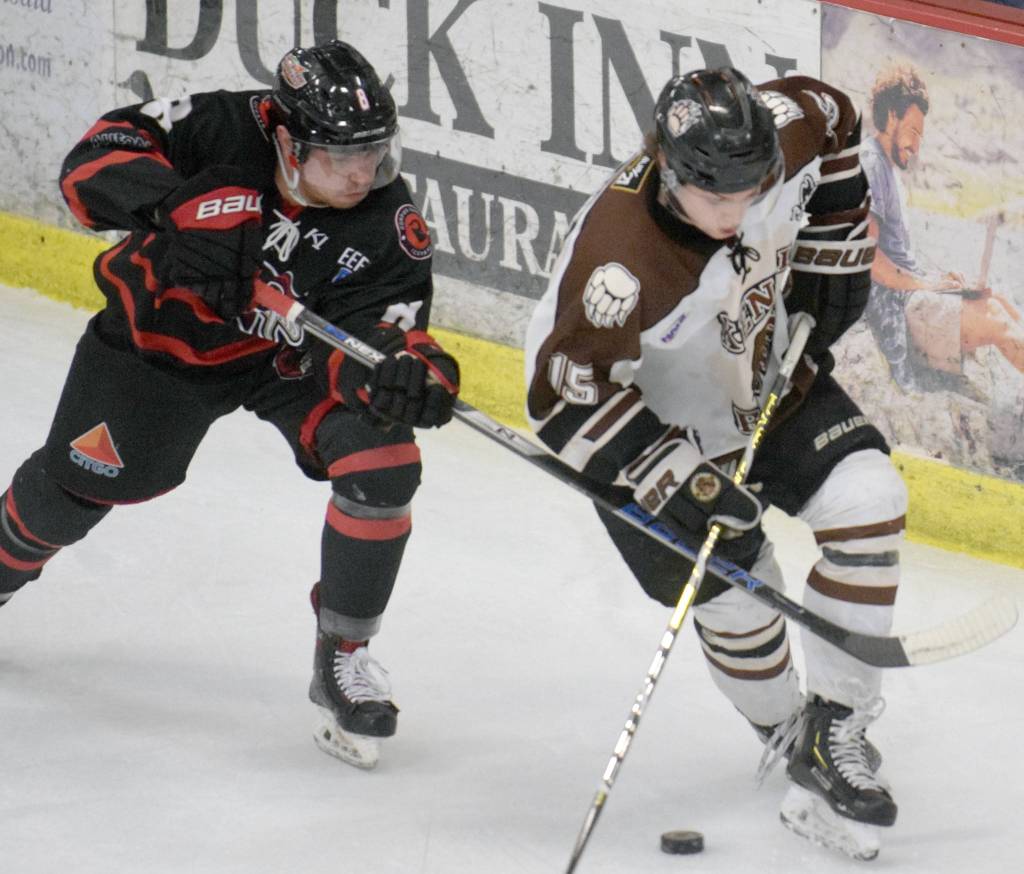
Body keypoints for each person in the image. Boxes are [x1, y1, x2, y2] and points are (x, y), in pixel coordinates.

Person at [0, 40, 460, 770]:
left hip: (285, 360)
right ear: (284, 138)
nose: (362, 174)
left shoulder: (389, 223)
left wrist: (401, 372)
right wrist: (176, 204)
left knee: (384, 457)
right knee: (74, 494)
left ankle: (342, 657)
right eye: (341, 157)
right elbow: (89, 165)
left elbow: (386, 333)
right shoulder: (219, 126)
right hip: (161, 348)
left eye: (374, 154)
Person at [525, 68, 905, 859]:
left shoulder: (780, 126)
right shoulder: (617, 263)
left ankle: (835, 729)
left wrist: (834, 243)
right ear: (668, 167)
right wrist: (678, 477)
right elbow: (562, 403)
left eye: (752, 193)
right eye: (716, 201)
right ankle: (787, 730)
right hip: (648, 431)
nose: (737, 215)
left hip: (764, 375)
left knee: (870, 496)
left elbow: (833, 116)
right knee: (740, 592)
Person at [860, 66, 1024, 396]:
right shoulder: (872, 163)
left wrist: (941, 282)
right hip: (896, 310)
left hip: (909, 295)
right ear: (892, 115)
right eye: (913, 132)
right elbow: (871, 260)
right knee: (995, 319)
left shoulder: (888, 168)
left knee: (999, 301)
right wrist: (927, 285)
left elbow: (899, 260)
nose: (916, 146)